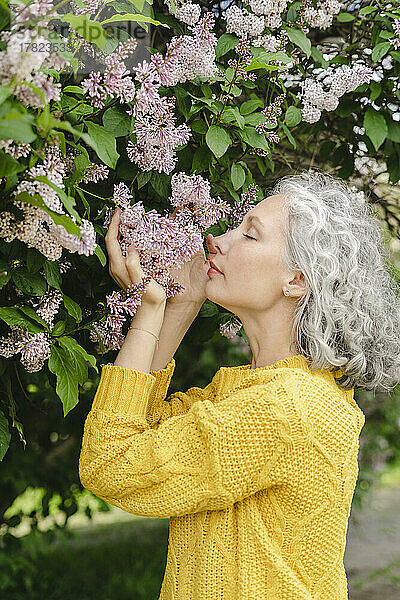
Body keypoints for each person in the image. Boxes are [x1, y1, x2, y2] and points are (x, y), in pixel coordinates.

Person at [79, 169, 400, 599]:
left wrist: (151, 312)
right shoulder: (259, 392)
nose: (220, 240)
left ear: (297, 280)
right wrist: (181, 300)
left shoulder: (283, 409)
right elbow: (139, 424)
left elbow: (112, 462)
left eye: (250, 235)